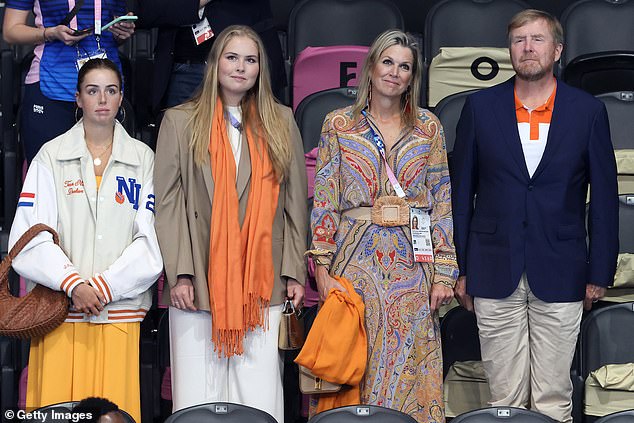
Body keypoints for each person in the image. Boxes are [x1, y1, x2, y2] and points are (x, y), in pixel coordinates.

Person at [452, 10, 619, 423]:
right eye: (519, 40)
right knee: (504, 399)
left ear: (558, 50)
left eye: (537, 39)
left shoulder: (588, 111)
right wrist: (458, 268)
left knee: (553, 395)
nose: (527, 48)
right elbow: (460, 195)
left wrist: (599, 272)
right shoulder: (480, 107)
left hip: (562, 269)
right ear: (509, 50)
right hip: (492, 267)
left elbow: (604, 200)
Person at [153, 25, 307, 422]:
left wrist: (292, 272)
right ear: (215, 63)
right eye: (232, 57)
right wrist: (180, 274)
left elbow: (294, 207)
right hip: (197, 282)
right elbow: (168, 205)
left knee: (258, 403)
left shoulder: (281, 120)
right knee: (195, 402)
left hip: (262, 286)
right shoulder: (179, 121)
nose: (241, 67)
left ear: (261, 69)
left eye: (250, 59)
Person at [309, 29, 457, 423]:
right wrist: (321, 268)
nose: (394, 72)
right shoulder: (339, 124)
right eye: (388, 62)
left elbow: (441, 203)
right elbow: (325, 198)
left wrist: (444, 273)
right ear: (371, 67)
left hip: (413, 265)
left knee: (412, 368)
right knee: (353, 363)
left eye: (404, 66)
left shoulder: (429, 127)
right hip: (354, 262)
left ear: (413, 77)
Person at [8, 58, 162, 422]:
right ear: (78, 98)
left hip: (118, 313)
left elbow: (150, 242)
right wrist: (74, 284)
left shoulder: (143, 159)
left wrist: (104, 287)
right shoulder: (50, 155)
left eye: (111, 90)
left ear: (121, 97)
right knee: (59, 413)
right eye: (93, 91)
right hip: (60, 314)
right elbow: (29, 236)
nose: (102, 99)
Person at [3, 0, 135, 164]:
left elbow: (113, 29)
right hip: (51, 83)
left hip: (104, 86)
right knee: (47, 172)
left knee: (105, 176)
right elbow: (10, 30)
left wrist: (121, 31)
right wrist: (50, 33)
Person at [136, 0, 285, 113]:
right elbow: (146, 10)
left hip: (242, 66)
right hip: (183, 69)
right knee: (184, 144)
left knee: (241, 146)